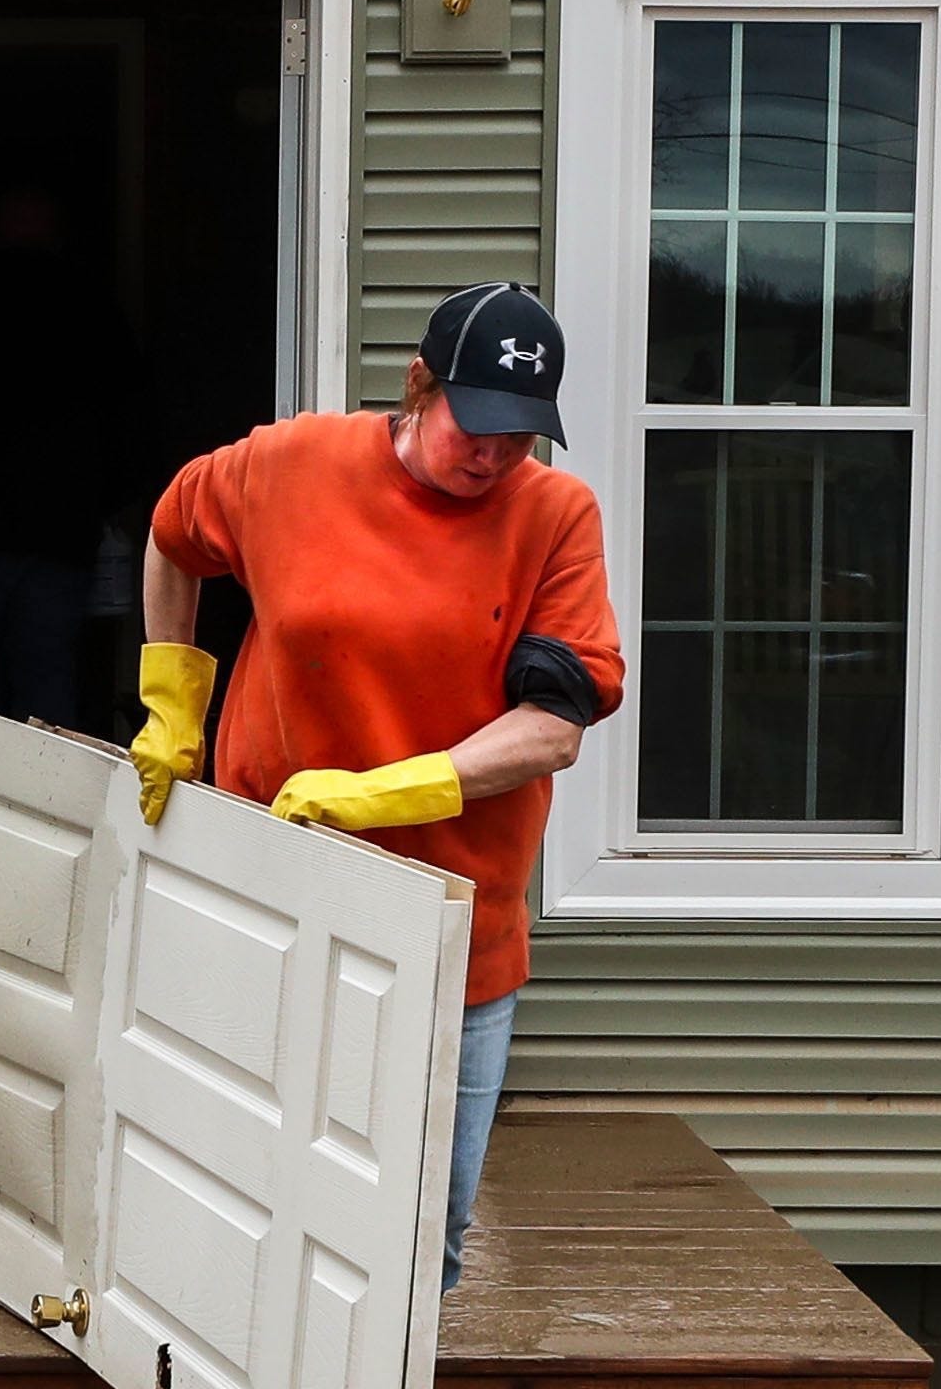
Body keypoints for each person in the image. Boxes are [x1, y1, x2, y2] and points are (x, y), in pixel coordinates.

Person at [132, 278, 618, 1298]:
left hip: (454, 923)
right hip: (272, 892)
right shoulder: (290, 465)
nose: (491, 454)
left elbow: (555, 728)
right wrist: (171, 697)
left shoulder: (554, 517)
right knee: (249, 1188)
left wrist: (379, 793)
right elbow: (172, 536)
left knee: (415, 1231)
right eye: (473, 424)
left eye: (518, 435)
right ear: (416, 385)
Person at [0, 179, 131, 725]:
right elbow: (128, 413)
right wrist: (115, 500)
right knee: (48, 686)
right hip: (59, 535)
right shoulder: (92, 310)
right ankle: (46, 810)